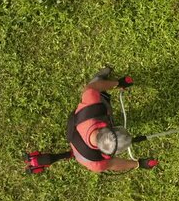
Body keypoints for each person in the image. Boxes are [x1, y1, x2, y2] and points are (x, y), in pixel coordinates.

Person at [24, 67, 158, 174]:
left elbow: (91, 88)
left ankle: (100, 82)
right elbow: (112, 163)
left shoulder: (91, 104)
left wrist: (118, 84)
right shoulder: (97, 163)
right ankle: (102, 88)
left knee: (97, 92)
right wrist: (138, 164)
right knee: (102, 102)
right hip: (80, 140)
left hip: (77, 128)